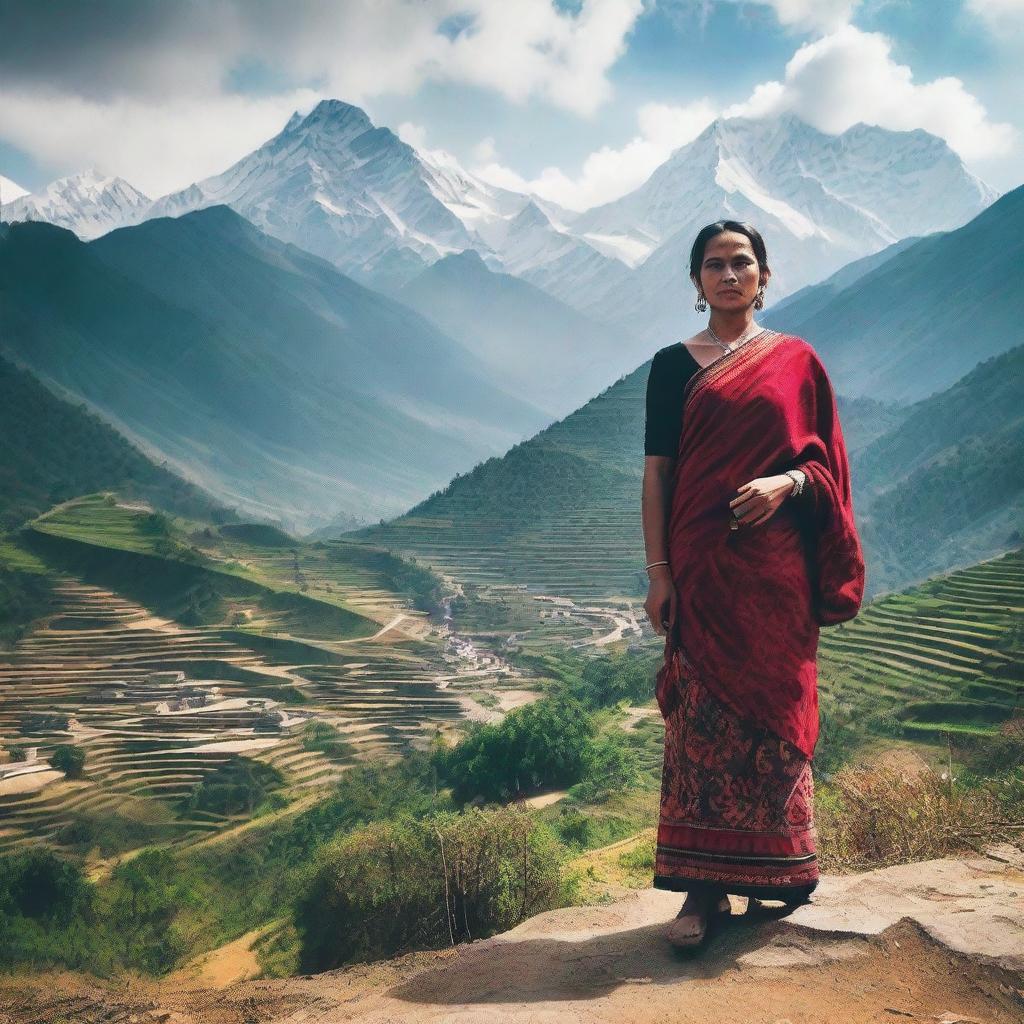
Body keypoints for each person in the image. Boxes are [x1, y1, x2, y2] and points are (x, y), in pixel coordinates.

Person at [641, 220, 865, 952]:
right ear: (696, 282)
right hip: (702, 576)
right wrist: (660, 574)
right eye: (714, 265)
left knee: (775, 723)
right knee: (700, 728)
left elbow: (827, 464)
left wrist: (787, 483)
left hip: (775, 582)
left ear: (765, 275)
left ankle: (778, 872)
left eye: (742, 263)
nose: (729, 275)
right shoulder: (673, 367)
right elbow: (658, 478)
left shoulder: (797, 363)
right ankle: (700, 896)